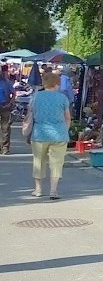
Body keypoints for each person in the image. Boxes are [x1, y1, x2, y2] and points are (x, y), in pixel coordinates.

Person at [26, 71, 71, 199]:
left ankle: (38, 189)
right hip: (59, 135)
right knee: (56, 163)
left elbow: (31, 114)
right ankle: (53, 190)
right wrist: (65, 130)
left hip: (39, 134)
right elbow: (67, 118)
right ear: (56, 84)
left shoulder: (36, 97)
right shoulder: (62, 98)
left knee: (38, 161)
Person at [0, 67, 15, 154]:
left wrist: (10, 103)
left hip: (5, 105)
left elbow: (13, 93)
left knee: (5, 128)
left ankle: (5, 147)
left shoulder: (6, 82)